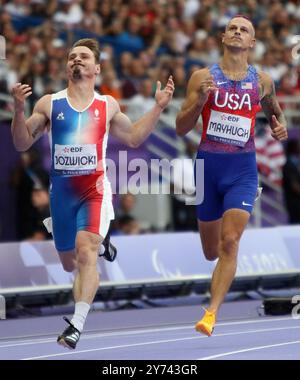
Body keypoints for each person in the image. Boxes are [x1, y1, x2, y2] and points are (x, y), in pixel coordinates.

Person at [11, 38, 174, 349]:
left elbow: (135, 138)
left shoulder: (108, 105)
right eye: (72, 57)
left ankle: (77, 324)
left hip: (94, 189)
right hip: (61, 192)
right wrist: (19, 109)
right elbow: (21, 143)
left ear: (97, 68)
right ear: (66, 66)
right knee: (68, 263)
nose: (76, 60)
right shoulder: (49, 103)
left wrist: (158, 107)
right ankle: (101, 243)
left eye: (83, 57)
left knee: (85, 250)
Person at [176, 15, 288, 336]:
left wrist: (278, 125)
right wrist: (199, 100)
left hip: (242, 169)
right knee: (210, 251)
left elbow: (275, 112)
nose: (238, 33)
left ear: (252, 42)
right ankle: (212, 299)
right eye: (233, 29)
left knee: (230, 242)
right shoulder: (202, 77)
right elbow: (181, 127)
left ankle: (211, 313)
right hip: (207, 168)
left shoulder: (263, 81)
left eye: (245, 30)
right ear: (223, 37)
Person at [282, 139, 300, 224]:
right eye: (298, 145)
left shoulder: (295, 163)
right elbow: (294, 185)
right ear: (293, 148)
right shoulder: (288, 165)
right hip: (295, 204)